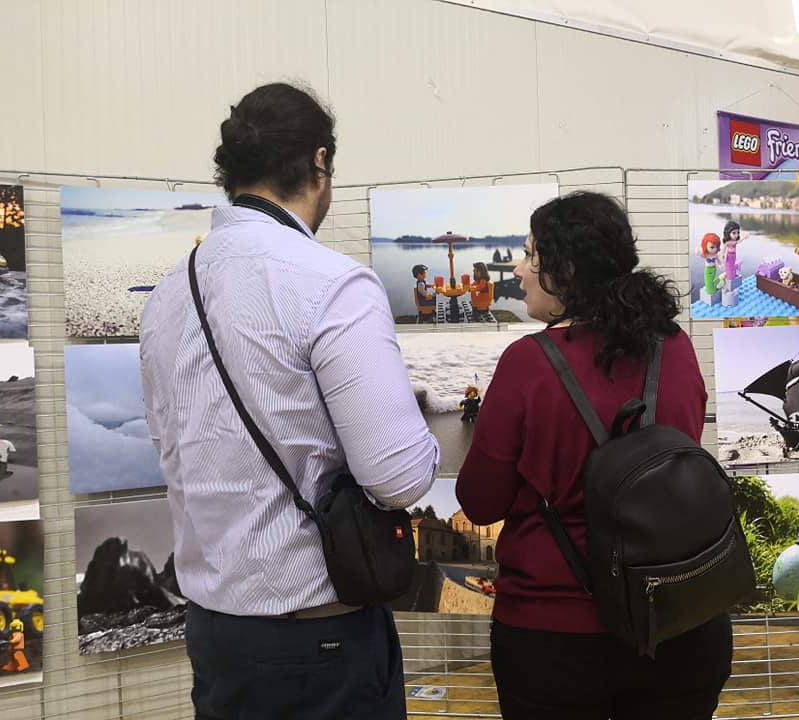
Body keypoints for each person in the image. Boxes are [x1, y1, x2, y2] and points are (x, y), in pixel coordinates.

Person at [140, 82, 439, 720]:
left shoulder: (167, 295)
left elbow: (168, 445)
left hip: (215, 631)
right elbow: (400, 477)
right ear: (320, 162)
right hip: (319, 633)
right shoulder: (332, 283)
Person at [456, 191, 732, 720]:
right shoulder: (674, 346)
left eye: (531, 255)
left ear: (567, 269)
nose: (519, 270)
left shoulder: (527, 363)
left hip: (555, 636)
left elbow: (480, 502)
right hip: (680, 618)